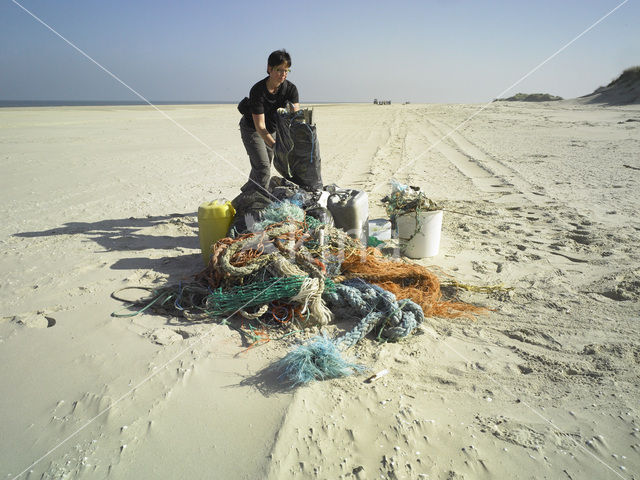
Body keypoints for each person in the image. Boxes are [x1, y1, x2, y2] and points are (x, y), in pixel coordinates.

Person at [239, 49, 300, 193]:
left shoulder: (291, 89)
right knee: (263, 167)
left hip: (272, 130)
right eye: (279, 70)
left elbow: (295, 118)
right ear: (269, 68)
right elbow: (260, 126)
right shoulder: (257, 91)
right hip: (252, 129)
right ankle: (259, 201)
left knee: (261, 166)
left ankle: (248, 193)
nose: (283, 74)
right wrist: (276, 146)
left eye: (286, 70)